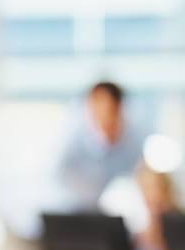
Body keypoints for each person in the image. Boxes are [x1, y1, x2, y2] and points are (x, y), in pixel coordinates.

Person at [54, 82, 146, 210]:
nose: (100, 114)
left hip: (123, 212)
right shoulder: (74, 142)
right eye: (94, 107)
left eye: (106, 107)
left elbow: (141, 180)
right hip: (83, 211)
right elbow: (62, 175)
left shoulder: (136, 142)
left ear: (118, 107)